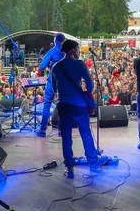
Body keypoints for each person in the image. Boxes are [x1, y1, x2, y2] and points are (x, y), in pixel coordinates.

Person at [51, 40, 108, 178]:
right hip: (78, 105)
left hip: (63, 105)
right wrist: (86, 92)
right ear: (72, 50)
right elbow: (89, 85)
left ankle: (69, 168)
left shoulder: (56, 67)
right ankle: (93, 162)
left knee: (66, 137)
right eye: (77, 49)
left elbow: (54, 88)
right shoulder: (80, 64)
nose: (79, 52)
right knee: (86, 134)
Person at [36, 33, 65, 137]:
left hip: (52, 81)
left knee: (47, 104)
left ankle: (42, 130)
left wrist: (48, 63)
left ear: (55, 40)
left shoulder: (52, 51)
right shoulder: (67, 53)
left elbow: (42, 67)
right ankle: (62, 131)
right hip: (64, 82)